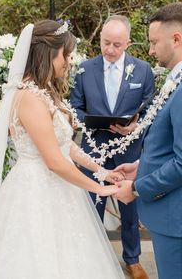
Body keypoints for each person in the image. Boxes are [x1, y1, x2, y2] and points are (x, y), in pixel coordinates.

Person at [0, 20, 126, 278]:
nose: (69, 62)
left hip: (61, 188)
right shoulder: (29, 98)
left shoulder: (44, 91)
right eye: (66, 54)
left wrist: (102, 172)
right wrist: (99, 189)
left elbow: (66, 148)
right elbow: (53, 160)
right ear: (48, 54)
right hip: (36, 191)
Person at [114, 2, 182, 279]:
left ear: (176, 39)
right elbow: (170, 144)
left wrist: (137, 188)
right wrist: (141, 165)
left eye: (154, 42)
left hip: (179, 214)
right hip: (175, 209)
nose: (150, 50)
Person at [70, 15, 155, 279]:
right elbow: (74, 109)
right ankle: (89, 258)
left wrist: (133, 127)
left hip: (129, 152)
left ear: (128, 43)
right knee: (91, 207)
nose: (110, 49)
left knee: (130, 210)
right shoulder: (84, 69)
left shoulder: (143, 70)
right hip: (93, 150)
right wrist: (94, 122)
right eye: (106, 43)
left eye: (117, 44)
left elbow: (151, 110)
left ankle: (132, 259)